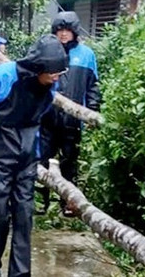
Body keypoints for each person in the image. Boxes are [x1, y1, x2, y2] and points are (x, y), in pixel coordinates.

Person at [0, 35, 68, 277]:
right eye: (54, 72)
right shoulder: (2, 76)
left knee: (24, 215)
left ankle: (20, 273)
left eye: (60, 73)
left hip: (27, 154)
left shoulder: (50, 84)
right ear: (39, 67)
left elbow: (42, 110)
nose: (57, 78)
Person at [37, 11, 100, 217]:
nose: (63, 34)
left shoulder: (86, 55)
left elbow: (93, 87)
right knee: (41, 159)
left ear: (74, 32)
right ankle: (41, 202)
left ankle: (69, 203)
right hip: (46, 117)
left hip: (72, 120)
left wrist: (92, 111)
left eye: (67, 30)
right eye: (59, 30)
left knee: (69, 161)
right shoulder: (47, 51)